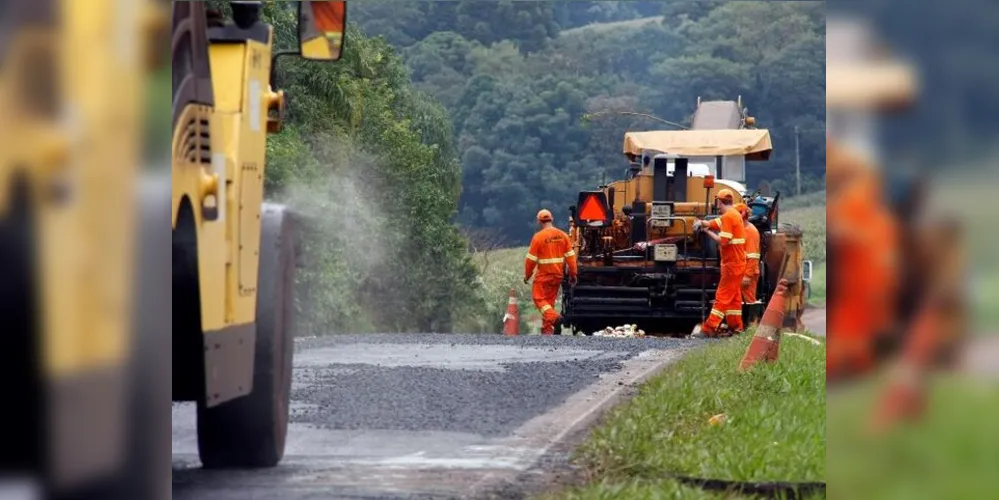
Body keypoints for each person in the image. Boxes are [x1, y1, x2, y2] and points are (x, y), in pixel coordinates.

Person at [692, 189, 747, 336]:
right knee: (734, 298)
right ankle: (736, 328)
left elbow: (723, 241)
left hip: (732, 265)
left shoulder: (729, 216)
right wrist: (703, 223)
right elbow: (715, 222)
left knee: (722, 297)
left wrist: (706, 231)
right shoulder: (732, 214)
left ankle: (708, 329)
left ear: (719, 201)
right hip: (736, 263)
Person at [524, 209, 578, 335]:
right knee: (548, 303)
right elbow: (571, 258)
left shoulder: (538, 238)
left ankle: (555, 319)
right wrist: (573, 274)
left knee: (538, 298)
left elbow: (530, 260)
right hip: (557, 276)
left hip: (543, 276)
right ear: (552, 219)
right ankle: (548, 331)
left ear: (539, 221)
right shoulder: (563, 235)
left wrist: (527, 275)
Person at [736, 203, 761, 303]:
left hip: (747, 273)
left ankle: (752, 319)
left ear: (742, 214)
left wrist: (747, 276)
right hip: (740, 272)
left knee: (748, 302)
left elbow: (753, 256)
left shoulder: (751, 231)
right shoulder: (740, 228)